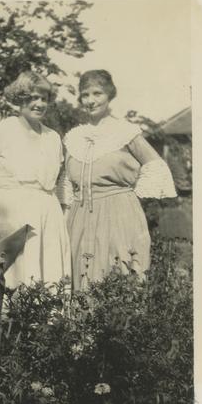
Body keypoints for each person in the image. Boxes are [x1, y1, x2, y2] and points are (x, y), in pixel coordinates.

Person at [62, 69, 176, 290]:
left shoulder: (125, 132)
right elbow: (66, 180)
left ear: (109, 95)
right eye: (85, 95)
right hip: (79, 215)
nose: (91, 101)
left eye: (97, 93)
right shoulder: (74, 137)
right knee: (79, 274)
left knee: (117, 272)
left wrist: (132, 197)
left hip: (118, 213)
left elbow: (155, 165)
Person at [0, 71, 71, 289]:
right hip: (11, 213)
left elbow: (58, 181)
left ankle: (49, 323)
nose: (39, 103)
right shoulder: (1, 132)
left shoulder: (53, 138)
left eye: (44, 98)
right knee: (15, 273)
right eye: (33, 97)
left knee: (47, 271)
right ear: (21, 97)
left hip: (47, 213)